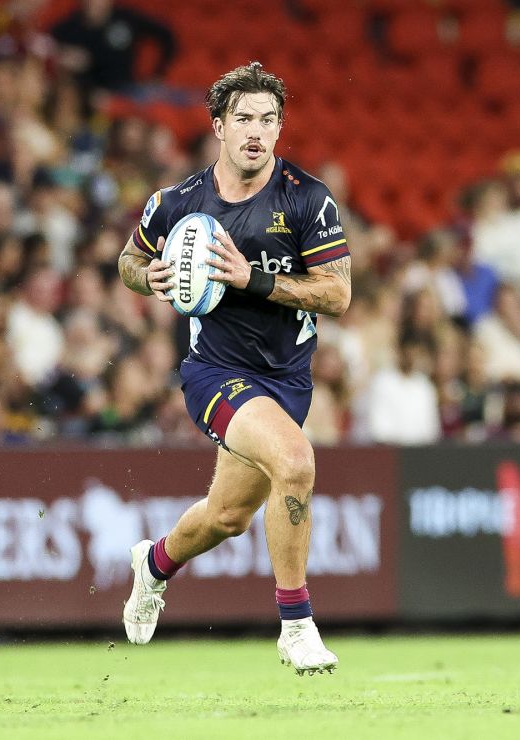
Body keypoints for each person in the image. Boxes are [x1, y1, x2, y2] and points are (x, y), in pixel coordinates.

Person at [118, 62, 350, 675]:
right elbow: (127, 262)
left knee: (226, 517)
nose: (256, 131)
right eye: (243, 118)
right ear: (218, 126)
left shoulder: (306, 198)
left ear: (280, 128)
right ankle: (296, 626)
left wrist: (254, 280)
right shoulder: (178, 203)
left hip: (286, 380)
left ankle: (155, 564)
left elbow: (338, 294)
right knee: (296, 464)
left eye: (268, 120)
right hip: (215, 371)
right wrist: (150, 278)